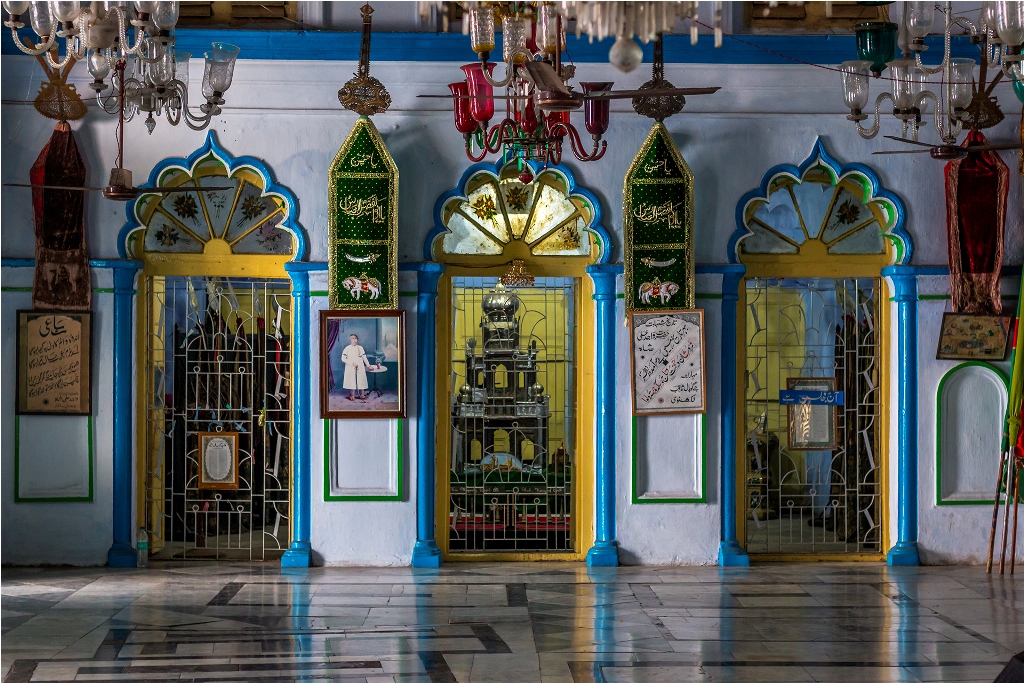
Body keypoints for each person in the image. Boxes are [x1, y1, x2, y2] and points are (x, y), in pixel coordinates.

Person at [341, 334, 372, 400]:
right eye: (352, 338)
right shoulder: (347, 348)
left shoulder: (360, 348)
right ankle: (352, 396)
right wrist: (352, 363)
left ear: (357, 340)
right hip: (350, 367)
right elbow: (343, 359)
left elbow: (364, 357)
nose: (354, 340)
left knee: (361, 380)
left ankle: (362, 395)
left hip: (360, 366)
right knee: (352, 381)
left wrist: (368, 365)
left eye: (355, 338)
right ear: (350, 339)